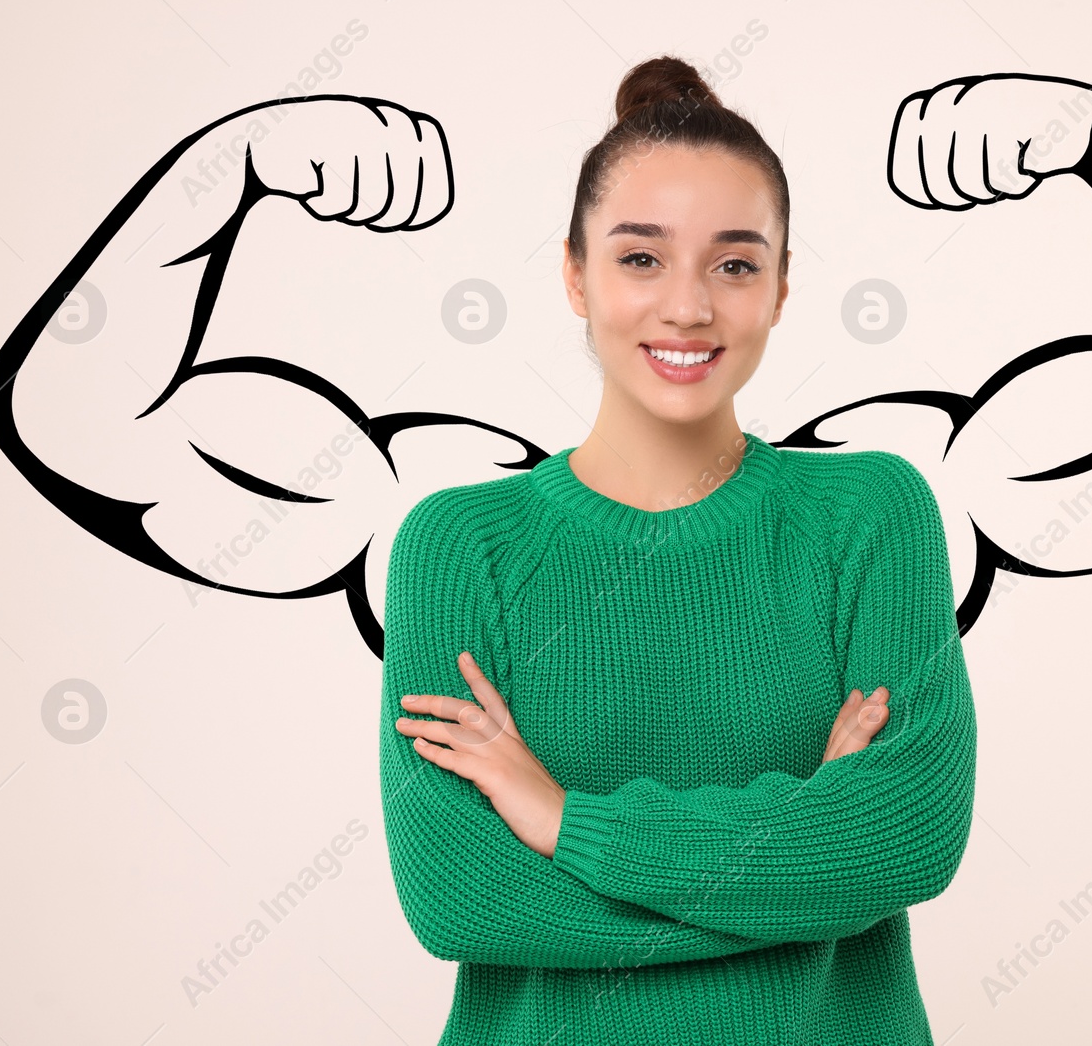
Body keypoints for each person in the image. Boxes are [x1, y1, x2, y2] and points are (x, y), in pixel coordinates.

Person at [379, 56, 977, 1045]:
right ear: (574, 274)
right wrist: (804, 847)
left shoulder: (869, 513)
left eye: (735, 263)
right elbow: (461, 900)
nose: (690, 307)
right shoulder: (459, 545)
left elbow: (904, 837)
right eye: (640, 257)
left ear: (782, 287)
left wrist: (565, 821)